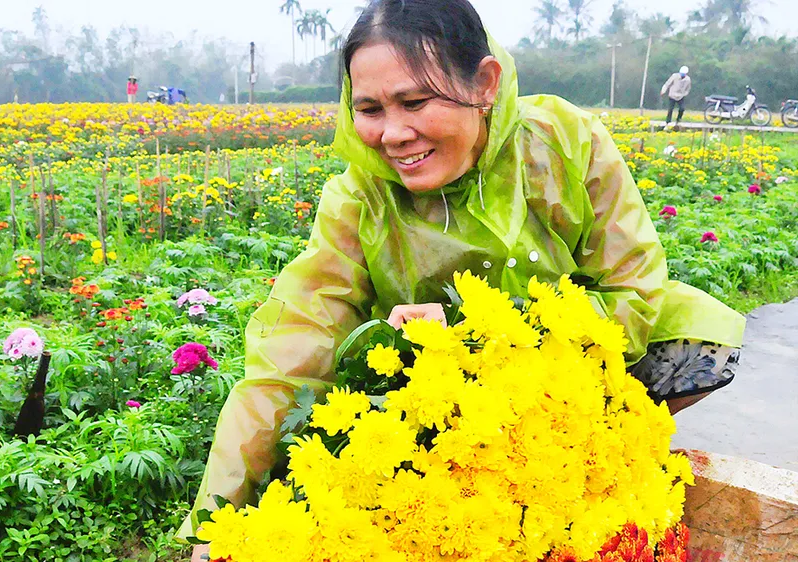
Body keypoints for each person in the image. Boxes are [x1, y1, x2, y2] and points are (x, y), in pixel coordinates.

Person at [184, 1, 744, 558]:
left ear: (484, 83)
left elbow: (632, 290)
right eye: (369, 108)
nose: (394, 134)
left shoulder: (563, 142)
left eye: (414, 101)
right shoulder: (359, 199)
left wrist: (481, 336)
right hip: (429, 395)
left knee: (693, 349)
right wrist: (217, 524)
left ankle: (581, 457)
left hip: (567, 361)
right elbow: (293, 352)